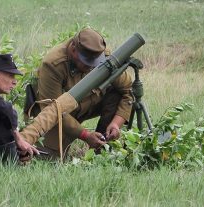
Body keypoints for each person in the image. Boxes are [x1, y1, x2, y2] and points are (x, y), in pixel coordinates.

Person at [27, 28, 133, 157]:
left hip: (87, 105)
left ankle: (101, 152)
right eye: (87, 62)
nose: (91, 66)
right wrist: (85, 135)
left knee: (116, 94)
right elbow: (53, 111)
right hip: (54, 115)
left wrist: (116, 124)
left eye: (95, 63)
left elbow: (128, 90)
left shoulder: (104, 58)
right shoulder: (53, 64)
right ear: (73, 50)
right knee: (47, 159)